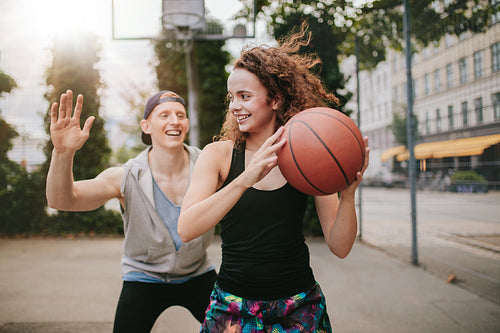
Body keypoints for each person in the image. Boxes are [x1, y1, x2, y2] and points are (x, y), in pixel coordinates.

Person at [177, 23, 369, 332]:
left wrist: (348, 196)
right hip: (233, 307)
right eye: (232, 97)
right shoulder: (219, 155)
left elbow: (340, 246)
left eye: (245, 95)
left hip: (298, 305)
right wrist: (245, 178)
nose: (235, 106)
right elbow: (187, 228)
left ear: (275, 99)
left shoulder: (309, 158)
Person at [46, 89, 216, 333]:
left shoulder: (208, 166)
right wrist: (63, 153)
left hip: (198, 273)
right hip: (143, 277)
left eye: (180, 115)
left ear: (187, 123)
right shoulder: (125, 176)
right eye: (164, 115)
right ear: (146, 126)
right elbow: (62, 200)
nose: (174, 121)